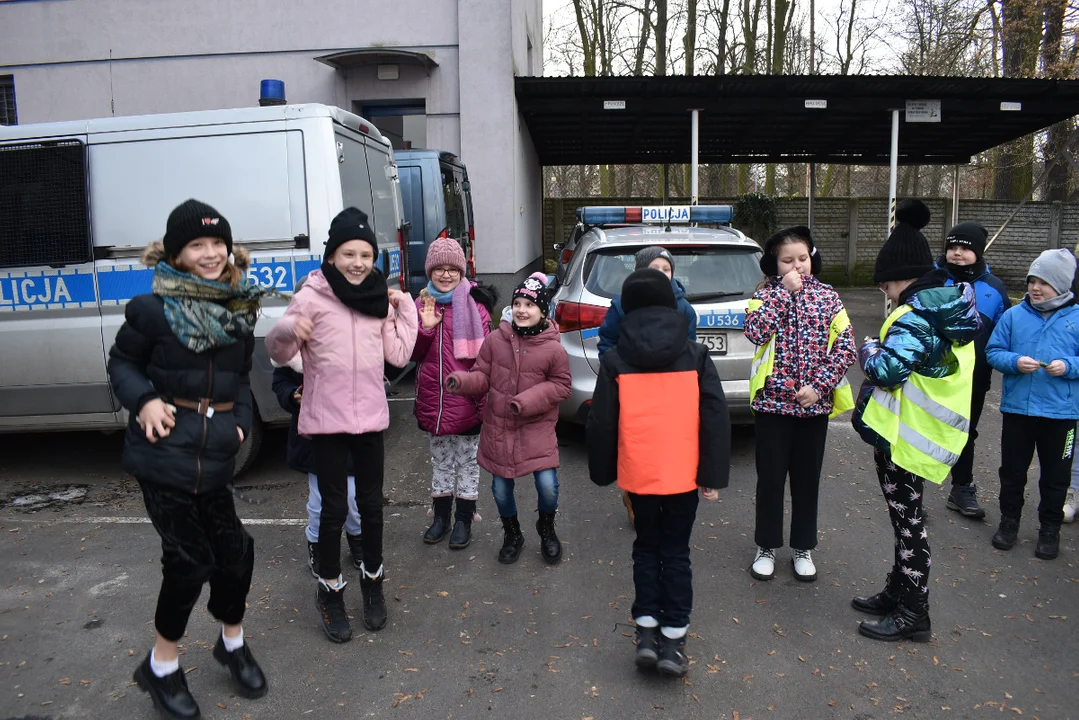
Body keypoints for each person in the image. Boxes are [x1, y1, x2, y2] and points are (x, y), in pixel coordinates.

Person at [108, 199, 267, 718]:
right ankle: (161, 666)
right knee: (189, 559)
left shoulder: (238, 309)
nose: (210, 252)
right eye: (197, 244)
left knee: (236, 552)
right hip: (163, 455)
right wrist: (145, 400)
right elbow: (123, 363)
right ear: (175, 253)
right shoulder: (151, 309)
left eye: (217, 243)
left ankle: (232, 642)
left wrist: (240, 423)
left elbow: (241, 380)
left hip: (215, 453)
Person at [265, 207, 417, 643]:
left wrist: (403, 307)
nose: (358, 262)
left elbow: (400, 355)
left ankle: (373, 585)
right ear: (331, 256)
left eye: (365, 254)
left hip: (369, 418)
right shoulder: (310, 297)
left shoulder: (377, 298)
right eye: (349, 253)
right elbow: (278, 353)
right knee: (333, 511)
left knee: (371, 508)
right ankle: (330, 592)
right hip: (326, 421)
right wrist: (289, 327)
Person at [586, 268, 730, 677]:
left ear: (625, 308)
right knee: (677, 552)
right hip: (683, 474)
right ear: (672, 303)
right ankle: (674, 639)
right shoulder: (695, 355)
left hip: (639, 474)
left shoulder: (615, 359)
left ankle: (646, 631)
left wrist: (603, 471)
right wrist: (712, 474)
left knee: (646, 548)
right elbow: (715, 417)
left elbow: (602, 421)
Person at [851, 199, 980, 643]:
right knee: (905, 520)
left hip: (908, 440)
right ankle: (899, 589)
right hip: (919, 435)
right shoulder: (947, 306)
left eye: (884, 285)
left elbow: (887, 371)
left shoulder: (915, 316)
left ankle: (914, 611)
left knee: (909, 523)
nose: (883, 293)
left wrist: (867, 348)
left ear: (897, 279)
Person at [744, 226, 857, 583]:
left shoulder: (828, 296)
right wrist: (781, 295)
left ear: (813, 258)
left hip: (813, 409)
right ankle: (766, 546)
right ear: (775, 265)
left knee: (807, 481)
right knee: (771, 479)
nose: (797, 267)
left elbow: (846, 348)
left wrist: (820, 386)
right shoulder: (764, 295)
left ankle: (802, 547)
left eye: (803, 259)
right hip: (771, 408)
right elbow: (755, 332)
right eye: (787, 260)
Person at [446, 273, 572, 565]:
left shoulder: (554, 348)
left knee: (547, 486)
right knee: (501, 489)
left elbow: (561, 385)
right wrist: (462, 382)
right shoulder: (495, 341)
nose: (522, 309)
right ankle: (512, 533)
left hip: (536, 429)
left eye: (529, 304)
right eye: (517, 303)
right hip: (499, 429)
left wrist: (526, 401)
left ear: (542, 311)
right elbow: (482, 376)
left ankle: (546, 528)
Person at [986, 248, 1079, 560]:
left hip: (1061, 414)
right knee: (1012, 471)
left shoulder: (1076, 318)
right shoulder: (1013, 316)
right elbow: (993, 351)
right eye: (1032, 281)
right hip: (1018, 411)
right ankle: (1009, 523)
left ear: (1063, 286)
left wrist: (1068, 366)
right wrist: (1014, 361)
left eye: (1044, 283)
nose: (1035, 288)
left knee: (1056, 477)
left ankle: (1049, 529)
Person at [597, 246, 699, 524]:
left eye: (666, 269)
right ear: (641, 272)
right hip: (632, 392)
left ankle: (666, 496)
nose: (662, 274)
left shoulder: (684, 308)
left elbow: (688, 352)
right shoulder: (622, 304)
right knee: (634, 447)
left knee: (666, 447)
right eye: (655, 269)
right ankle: (634, 495)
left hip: (669, 395)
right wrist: (617, 374)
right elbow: (608, 342)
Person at [412, 237, 497, 549]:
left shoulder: (476, 307)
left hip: (467, 402)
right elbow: (412, 354)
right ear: (430, 272)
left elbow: (486, 360)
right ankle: (440, 518)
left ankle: (463, 520)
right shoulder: (421, 305)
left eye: (452, 269)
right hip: (433, 403)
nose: (445, 275)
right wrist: (426, 327)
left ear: (462, 272)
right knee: (441, 462)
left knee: (468, 463)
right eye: (439, 269)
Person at [271, 301, 364, 577]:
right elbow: (280, 383)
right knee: (321, 500)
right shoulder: (291, 352)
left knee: (353, 498)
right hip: (313, 438)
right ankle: (318, 544)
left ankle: (358, 540)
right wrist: (292, 395)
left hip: (349, 435)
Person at [935, 222, 1011, 519]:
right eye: (952, 247)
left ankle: (961, 487)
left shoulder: (994, 288)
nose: (957, 253)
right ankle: (913, 493)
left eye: (965, 248)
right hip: (933, 376)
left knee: (965, 432)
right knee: (923, 429)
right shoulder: (932, 280)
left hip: (973, 379)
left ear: (978, 252)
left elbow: (1005, 334)